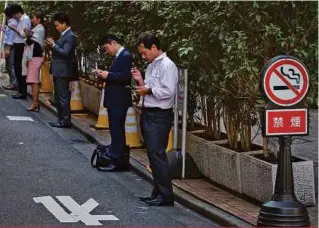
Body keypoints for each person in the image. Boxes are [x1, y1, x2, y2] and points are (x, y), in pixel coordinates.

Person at [131, 32, 178, 206]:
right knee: (153, 154)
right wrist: (141, 82)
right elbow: (152, 87)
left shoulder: (167, 65)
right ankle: (157, 192)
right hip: (149, 112)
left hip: (159, 115)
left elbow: (168, 91)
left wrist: (147, 90)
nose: (143, 56)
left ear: (154, 47)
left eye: (144, 52)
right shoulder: (152, 65)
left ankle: (165, 195)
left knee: (157, 155)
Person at [96, 34, 133, 171]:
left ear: (113, 43)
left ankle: (117, 160)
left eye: (107, 48)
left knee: (117, 129)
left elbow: (125, 77)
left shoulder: (125, 56)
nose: (107, 52)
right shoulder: (120, 56)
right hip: (115, 99)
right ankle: (119, 158)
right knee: (115, 129)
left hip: (119, 99)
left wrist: (108, 75)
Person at [45, 12, 76, 128]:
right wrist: (51, 45)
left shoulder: (70, 36)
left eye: (58, 25)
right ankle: (61, 119)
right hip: (58, 69)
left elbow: (65, 52)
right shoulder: (64, 35)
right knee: (58, 96)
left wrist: (53, 45)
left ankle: (65, 120)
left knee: (63, 97)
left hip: (63, 70)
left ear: (64, 24)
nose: (57, 28)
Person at [7, 3, 31, 99]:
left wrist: (13, 28)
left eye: (13, 14)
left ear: (17, 12)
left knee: (19, 69)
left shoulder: (25, 19)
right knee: (18, 69)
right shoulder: (21, 19)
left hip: (21, 45)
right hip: (18, 45)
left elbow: (24, 34)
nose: (13, 17)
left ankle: (22, 92)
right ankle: (20, 91)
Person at [23, 12, 45, 112]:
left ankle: (35, 103)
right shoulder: (37, 29)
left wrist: (28, 34)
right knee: (32, 81)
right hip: (34, 57)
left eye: (34, 18)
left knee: (34, 81)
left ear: (39, 19)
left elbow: (31, 42)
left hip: (35, 57)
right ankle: (35, 102)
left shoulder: (40, 29)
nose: (32, 20)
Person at [2, 6, 18, 91]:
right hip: (10, 46)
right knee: (10, 65)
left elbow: (11, 38)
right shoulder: (11, 22)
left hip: (10, 47)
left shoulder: (12, 23)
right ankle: (12, 82)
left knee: (11, 65)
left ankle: (14, 84)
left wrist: (7, 49)